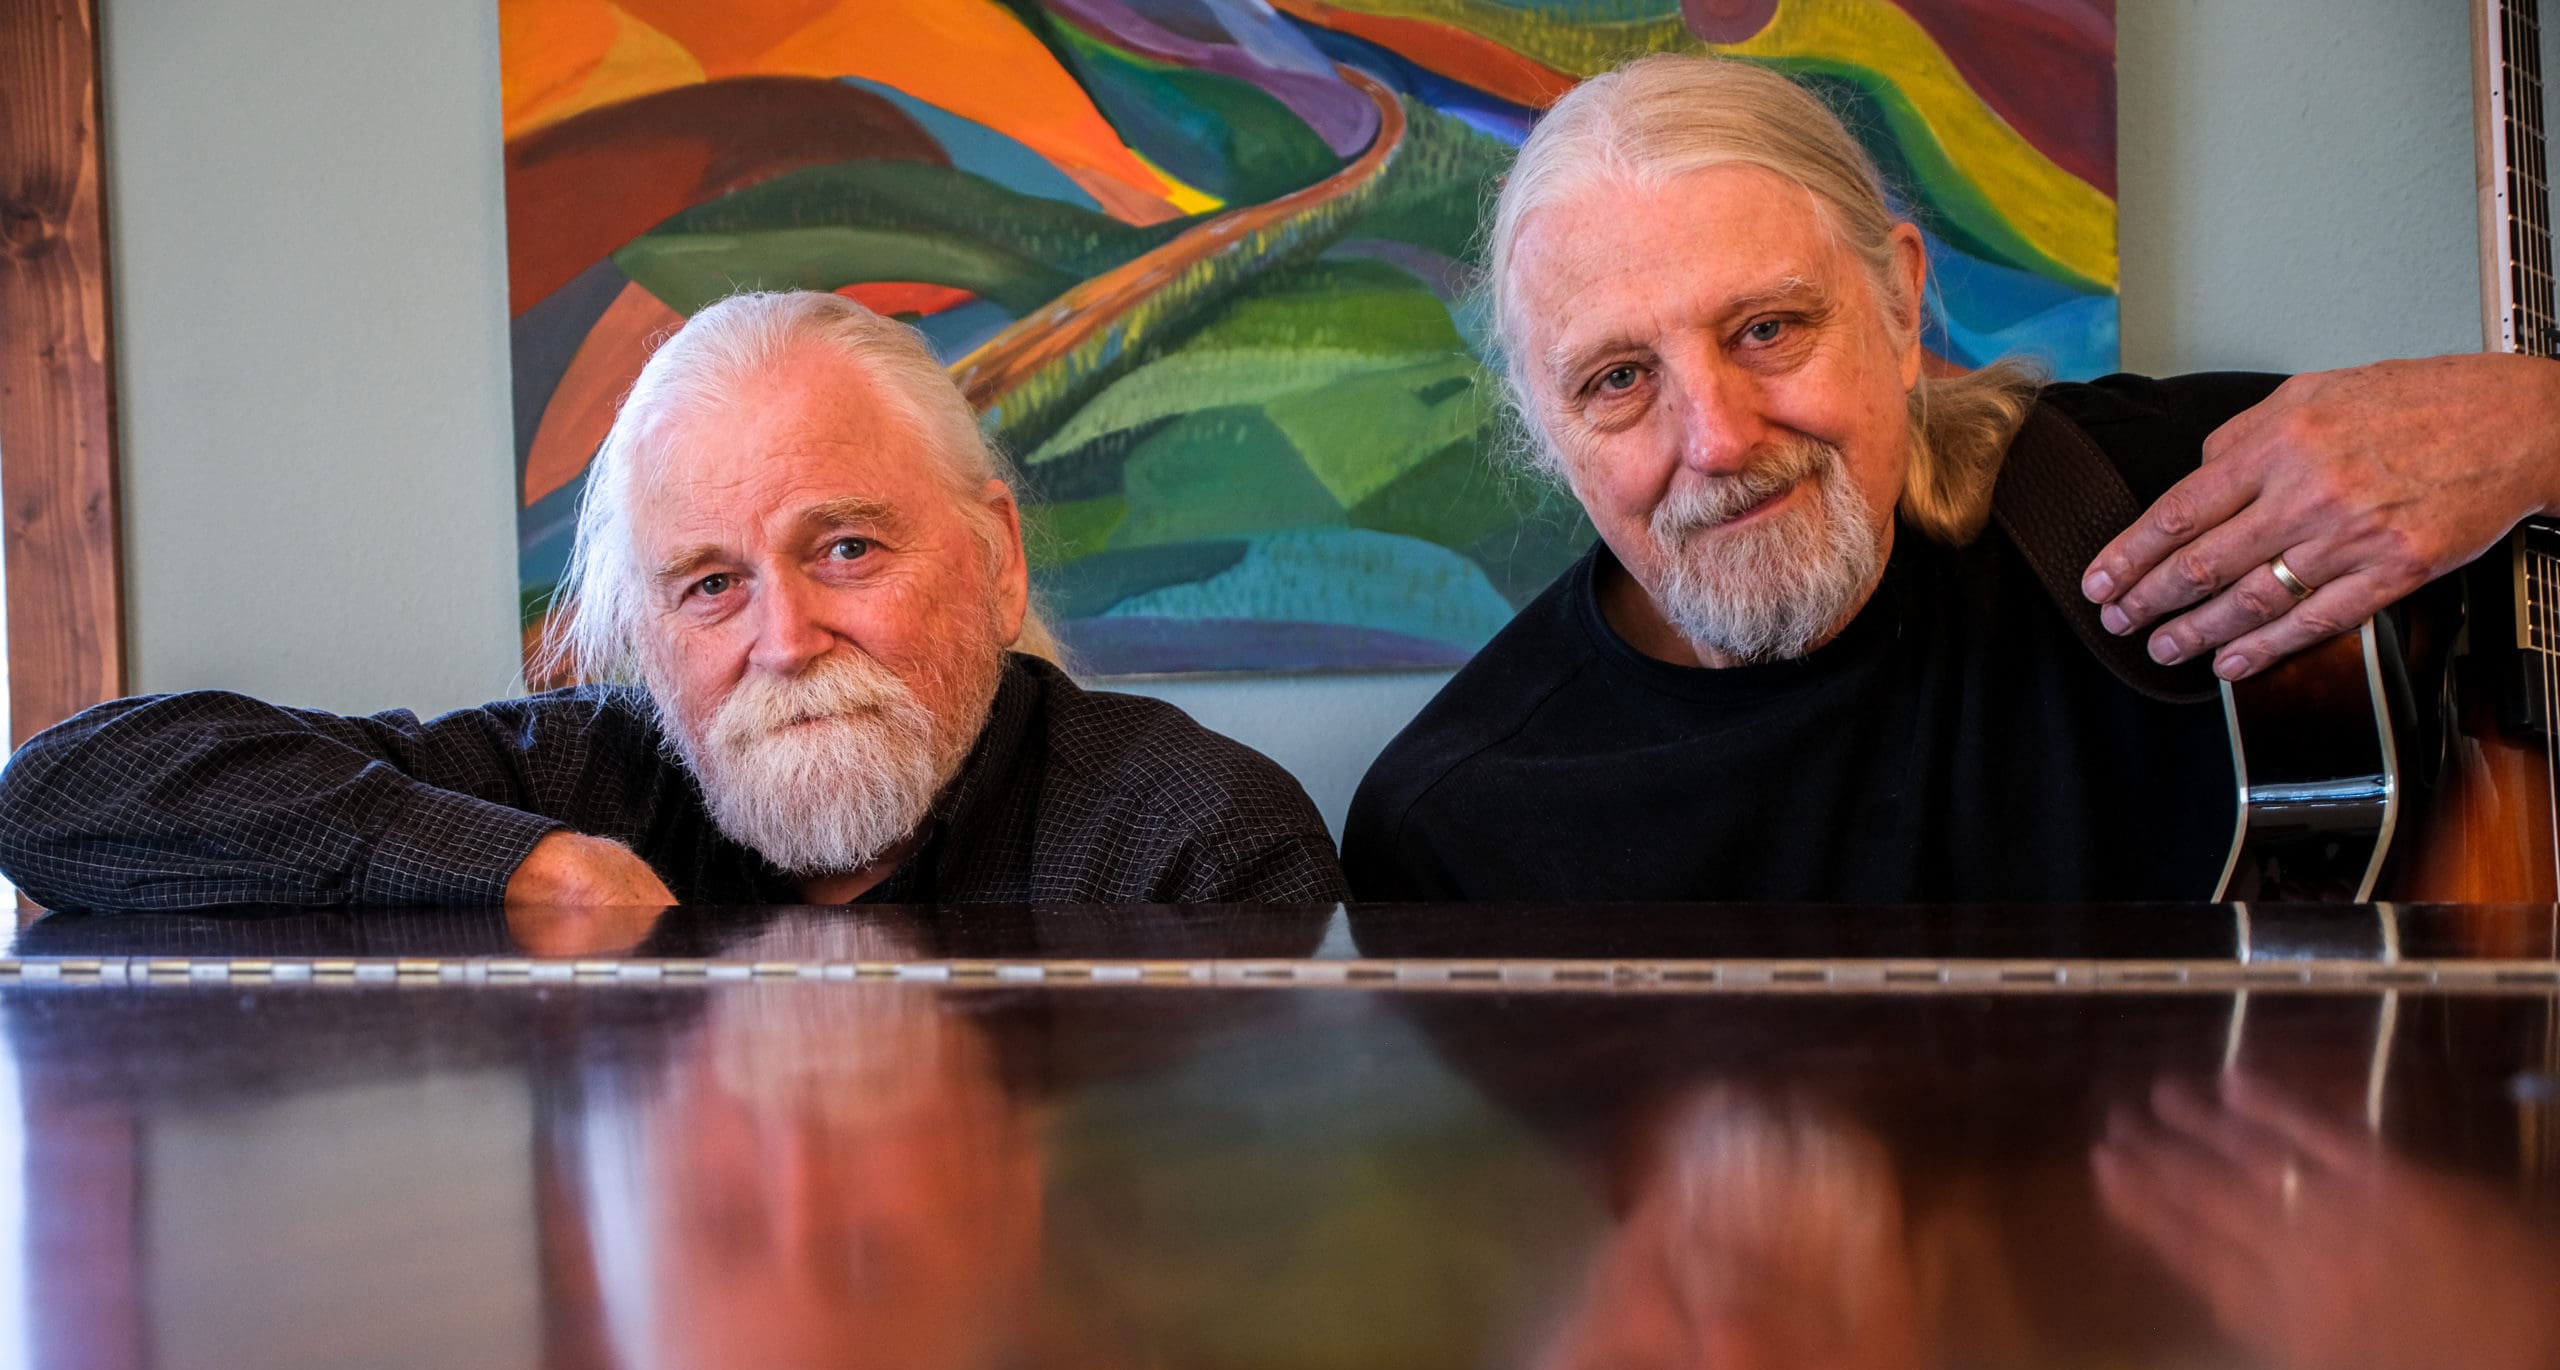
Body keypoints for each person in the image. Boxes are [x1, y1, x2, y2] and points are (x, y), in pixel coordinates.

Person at [1344, 53, 2560, 903]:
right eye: (1616, 379)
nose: (1713, 437)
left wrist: (2535, 421)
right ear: (1543, 429)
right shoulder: (1459, 832)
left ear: (1898, 297)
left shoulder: (2174, 497)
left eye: (1767, 328)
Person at [0, 291, 1345, 910]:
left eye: (847, 551)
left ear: (996, 559)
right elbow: (57, 796)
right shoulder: (576, 780)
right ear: (644, 636)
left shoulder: (1197, 844)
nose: (785, 641)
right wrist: (513, 864)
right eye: (711, 584)